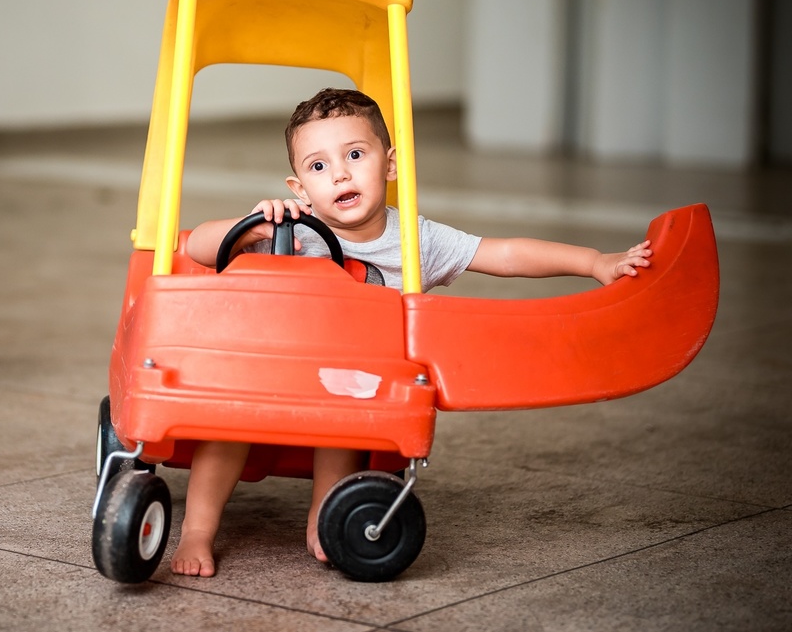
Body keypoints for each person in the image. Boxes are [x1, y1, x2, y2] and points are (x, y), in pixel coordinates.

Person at [169, 87, 653, 577]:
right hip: (269, 365)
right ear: (300, 188)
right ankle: (197, 531)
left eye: (355, 155)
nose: (339, 173)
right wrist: (252, 227)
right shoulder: (291, 230)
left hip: (349, 380)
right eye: (318, 167)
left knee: (344, 420)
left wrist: (594, 262)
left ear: (390, 164)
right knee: (224, 424)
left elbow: (502, 254)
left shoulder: (415, 240)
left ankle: (325, 510)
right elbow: (200, 248)